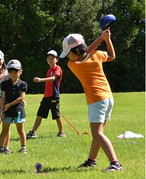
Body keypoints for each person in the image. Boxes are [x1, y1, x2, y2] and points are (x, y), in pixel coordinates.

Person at [59, 30, 123, 172]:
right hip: (108, 97)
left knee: (97, 134)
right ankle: (91, 161)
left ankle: (115, 163)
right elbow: (112, 56)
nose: (68, 56)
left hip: (96, 100)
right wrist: (106, 39)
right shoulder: (97, 55)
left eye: (68, 52)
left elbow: (86, 51)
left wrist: (101, 38)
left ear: (75, 51)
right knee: (98, 132)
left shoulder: (73, 64)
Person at [26, 50, 66, 139]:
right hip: (46, 96)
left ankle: (61, 132)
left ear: (57, 60)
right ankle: (33, 132)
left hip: (54, 95)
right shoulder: (49, 70)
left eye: (52, 58)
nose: (50, 60)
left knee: (56, 115)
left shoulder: (57, 68)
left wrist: (41, 80)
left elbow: (53, 79)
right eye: (49, 58)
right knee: (40, 114)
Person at [0, 59, 28, 153]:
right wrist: (2, 110)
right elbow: (3, 99)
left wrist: (9, 104)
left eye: (15, 71)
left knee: (21, 130)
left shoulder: (23, 84)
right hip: (7, 111)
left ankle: (23, 147)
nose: (13, 73)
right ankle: (1, 149)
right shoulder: (4, 84)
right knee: (5, 130)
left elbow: (21, 98)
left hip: (18, 110)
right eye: (10, 71)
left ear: (20, 72)